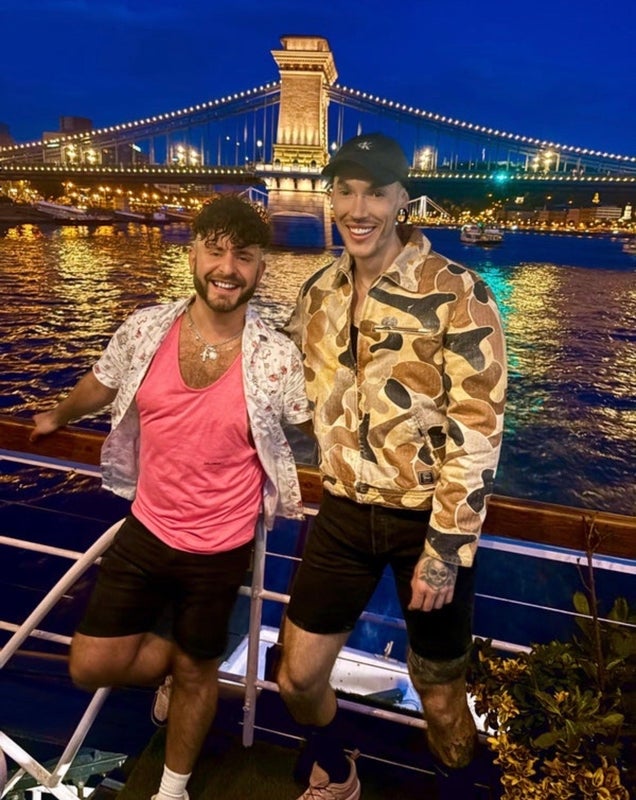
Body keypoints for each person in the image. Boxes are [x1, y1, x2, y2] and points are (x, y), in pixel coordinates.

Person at [30, 194, 312, 800]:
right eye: (215, 250)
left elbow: (313, 424)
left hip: (222, 546)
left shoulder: (278, 357)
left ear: (260, 267)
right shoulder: (146, 328)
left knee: (197, 675)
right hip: (147, 528)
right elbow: (103, 381)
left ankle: (172, 789)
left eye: (244, 256)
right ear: (193, 255)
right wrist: (57, 415)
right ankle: (174, 657)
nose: (227, 268)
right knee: (90, 665)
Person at [277, 133, 507, 800]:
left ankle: (457, 789)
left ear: (402, 198)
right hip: (343, 514)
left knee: (440, 696)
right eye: (345, 191)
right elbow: (278, 383)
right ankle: (337, 766)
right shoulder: (319, 292)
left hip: (424, 525)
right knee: (296, 677)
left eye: (375, 192)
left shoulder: (459, 292)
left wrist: (446, 548)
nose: (358, 209)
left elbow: (478, 427)